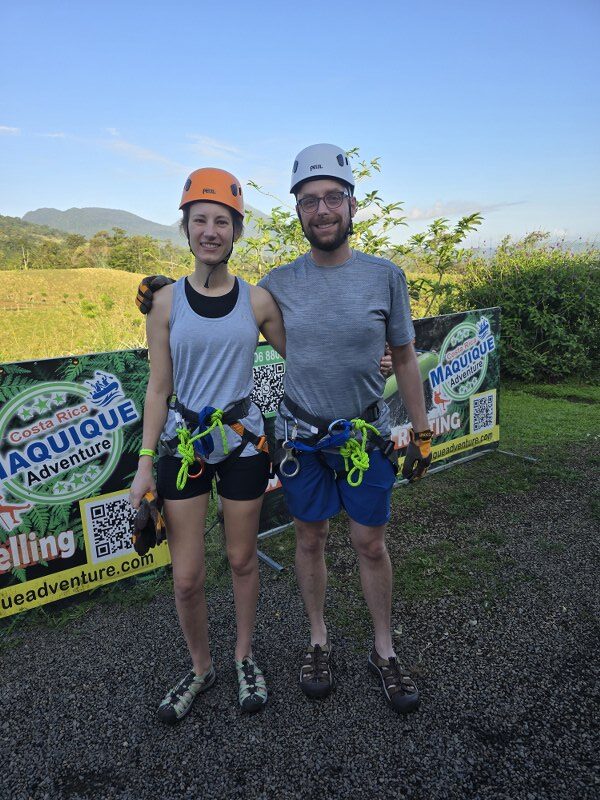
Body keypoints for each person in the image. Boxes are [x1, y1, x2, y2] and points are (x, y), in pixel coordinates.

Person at [136, 145, 433, 715]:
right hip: (278, 439)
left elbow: (380, 353)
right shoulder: (270, 285)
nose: (322, 210)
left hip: (347, 436)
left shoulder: (369, 279)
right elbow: (188, 344)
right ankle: (305, 644)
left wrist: (411, 416)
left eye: (332, 198)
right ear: (297, 211)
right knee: (293, 544)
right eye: (309, 201)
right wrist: (161, 291)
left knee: (364, 544)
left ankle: (379, 650)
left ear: (351, 204)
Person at [129, 167, 285, 723]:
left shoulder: (258, 301)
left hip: (243, 443)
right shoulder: (165, 303)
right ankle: (201, 667)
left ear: (236, 231)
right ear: (186, 228)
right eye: (201, 220)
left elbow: (305, 356)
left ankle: (243, 656)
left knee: (242, 559)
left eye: (222, 221)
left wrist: (376, 359)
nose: (211, 231)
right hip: (185, 446)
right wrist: (145, 463)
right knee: (187, 575)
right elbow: (159, 387)